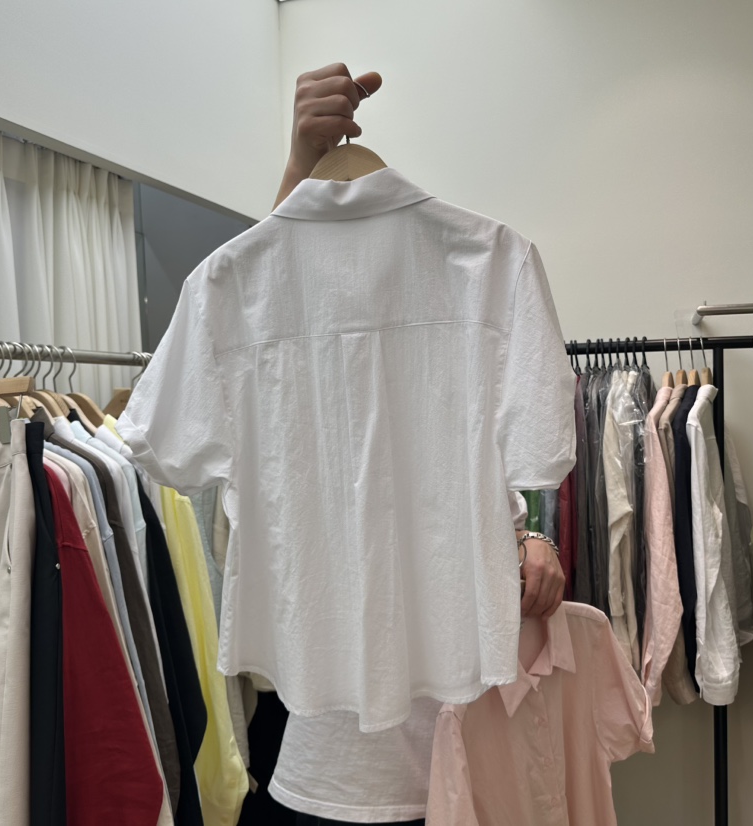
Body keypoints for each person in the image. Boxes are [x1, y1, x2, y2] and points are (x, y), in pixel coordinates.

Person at [265, 63, 568, 826]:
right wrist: (300, 167)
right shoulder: (278, 300)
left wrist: (536, 530)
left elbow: (523, 450)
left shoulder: (491, 267)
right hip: (339, 745)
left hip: (472, 726)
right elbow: (266, 301)